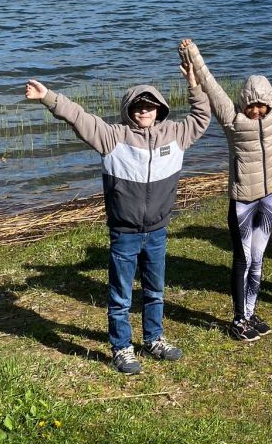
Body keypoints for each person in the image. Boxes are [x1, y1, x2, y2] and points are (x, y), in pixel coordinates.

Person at [23, 51, 210, 375]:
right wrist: (48, 97)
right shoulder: (112, 138)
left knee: (155, 291)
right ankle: (122, 348)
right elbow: (79, 117)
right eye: (138, 106)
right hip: (123, 232)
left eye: (150, 106)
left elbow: (202, 115)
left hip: (157, 231)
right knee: (121, 295)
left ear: (160, 109)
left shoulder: (176, 135)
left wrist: (193, 83)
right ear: (128, 110)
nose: (144, 111)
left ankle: (154, 340)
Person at [179, 23, 272, 342]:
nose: (257, 111)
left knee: (259, 259)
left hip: (269, 198)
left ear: (271, 103)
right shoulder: (232, 121)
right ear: (243, 103)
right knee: (242, 258)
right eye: (252, 105)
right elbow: (212, 86)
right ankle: (237, 320)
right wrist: (193, 54)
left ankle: (250, 311)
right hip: (243, 200)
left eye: (262, 105)